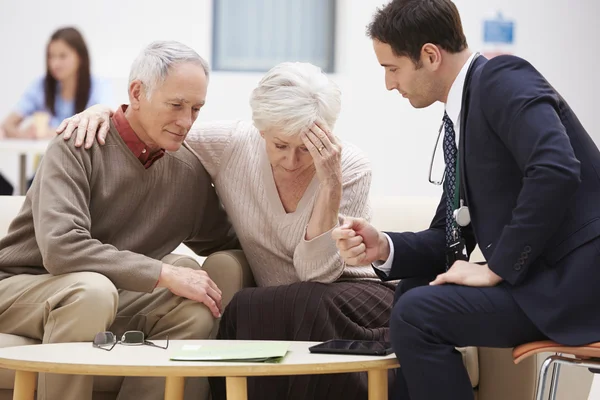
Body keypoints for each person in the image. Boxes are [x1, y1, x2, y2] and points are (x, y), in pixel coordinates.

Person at [58, 61, 396, 400]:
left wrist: (330, 186)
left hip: (351, 300)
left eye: (306, 149)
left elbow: (315, 274)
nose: (292, 161)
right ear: (261, 130)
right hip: (282, 306)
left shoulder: (348, 167)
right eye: (280, 145)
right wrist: (104, 112)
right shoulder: (234, 144)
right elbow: (161, 131)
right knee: (251, 306)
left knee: (277, 303)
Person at [332, 0, 600, 399]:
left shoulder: (503, 79)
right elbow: (450, 235)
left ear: (429, 55)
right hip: (545, 285)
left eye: (392, 68)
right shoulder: (465, 113)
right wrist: (383, 245)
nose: (389, 84)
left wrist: (497, 267)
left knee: (418, 315)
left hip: (575, 290)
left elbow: (556, 169)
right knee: (413, 291)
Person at [0, 41, 238, 400]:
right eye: (176, 105)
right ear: (137, 92)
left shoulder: (188, 172)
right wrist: (163, 273)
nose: (186, 121)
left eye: (196, 109)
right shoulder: (77, 143)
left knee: (196, 307)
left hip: (107, 294)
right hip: (23, 286)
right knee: (92, 291)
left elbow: (231, 239)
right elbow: (62, 248)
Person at [0, 26, 113, 195]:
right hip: (45, 169)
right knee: (27, 194)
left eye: (62, 56)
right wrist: (27, 134)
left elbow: (104, 124)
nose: (55, 63)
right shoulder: (41, 86)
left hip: (81, 171)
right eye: (51, 56)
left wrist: (50, 132)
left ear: (80, 57)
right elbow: (8, 124)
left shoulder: (98, 86)